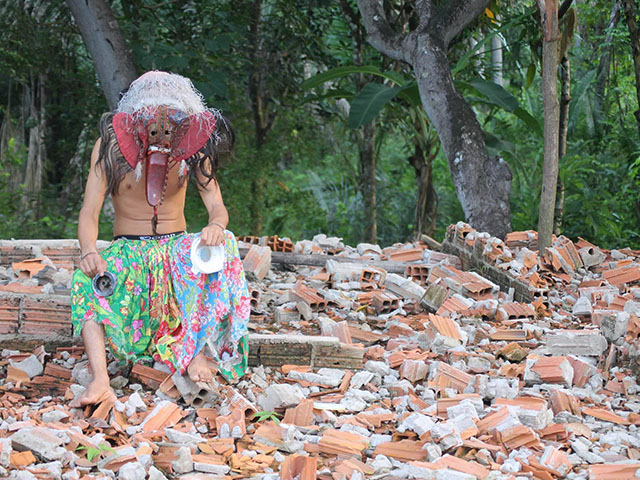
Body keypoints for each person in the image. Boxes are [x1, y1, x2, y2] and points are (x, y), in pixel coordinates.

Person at [69, 71, 250, 408]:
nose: (163, 128)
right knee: (84, 280)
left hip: (176, 248)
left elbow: (218, 207)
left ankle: (196, 353)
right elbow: (89, 212)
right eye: (155, 119)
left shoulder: (193, 150)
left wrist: (216, 227)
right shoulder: (109, 145)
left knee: (224, 247)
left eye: (172, 119)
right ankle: (100, 380)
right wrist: (90, 251)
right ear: (138, 115)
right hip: (130, 249)